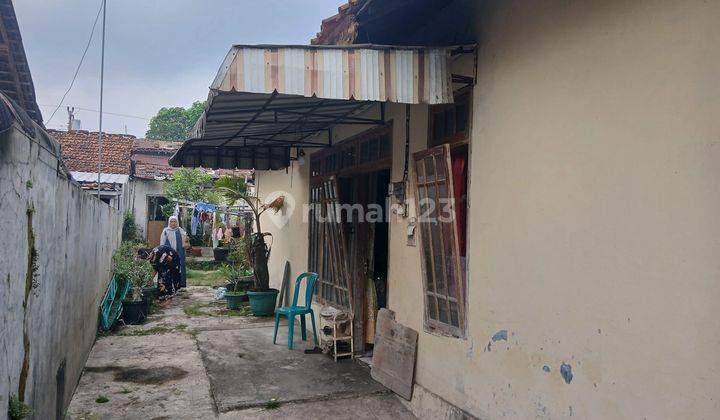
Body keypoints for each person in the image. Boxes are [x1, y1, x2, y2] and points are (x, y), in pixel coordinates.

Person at [159, 216, 189, 288]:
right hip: (169, 253)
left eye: (174, 221)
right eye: (171, 221)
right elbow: (162, 244)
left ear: (177, 222)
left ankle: (180, 284)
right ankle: (169, 284)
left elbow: (185, 240)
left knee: (180, 268)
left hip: (179, 253)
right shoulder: (165, 231)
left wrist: (186, 238)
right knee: (169, 268)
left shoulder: (180, 230)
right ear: (169, 222)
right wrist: (163, 254)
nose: (173, 223)